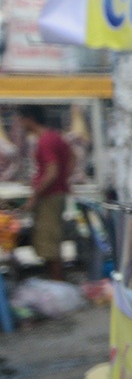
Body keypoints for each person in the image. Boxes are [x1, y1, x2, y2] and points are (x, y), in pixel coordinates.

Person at [19, 108, 73, 280]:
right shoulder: (55, 137)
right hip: (56, 194)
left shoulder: (45, 140)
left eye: (21, 120)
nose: (20, 125)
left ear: (29, 119)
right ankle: (54, 282)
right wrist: (65, 178)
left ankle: (57, 284)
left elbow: (51, 171)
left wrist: (35, 196)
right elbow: (73, 157)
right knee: (49, 240)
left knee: (49, 243)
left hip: (49, 197)